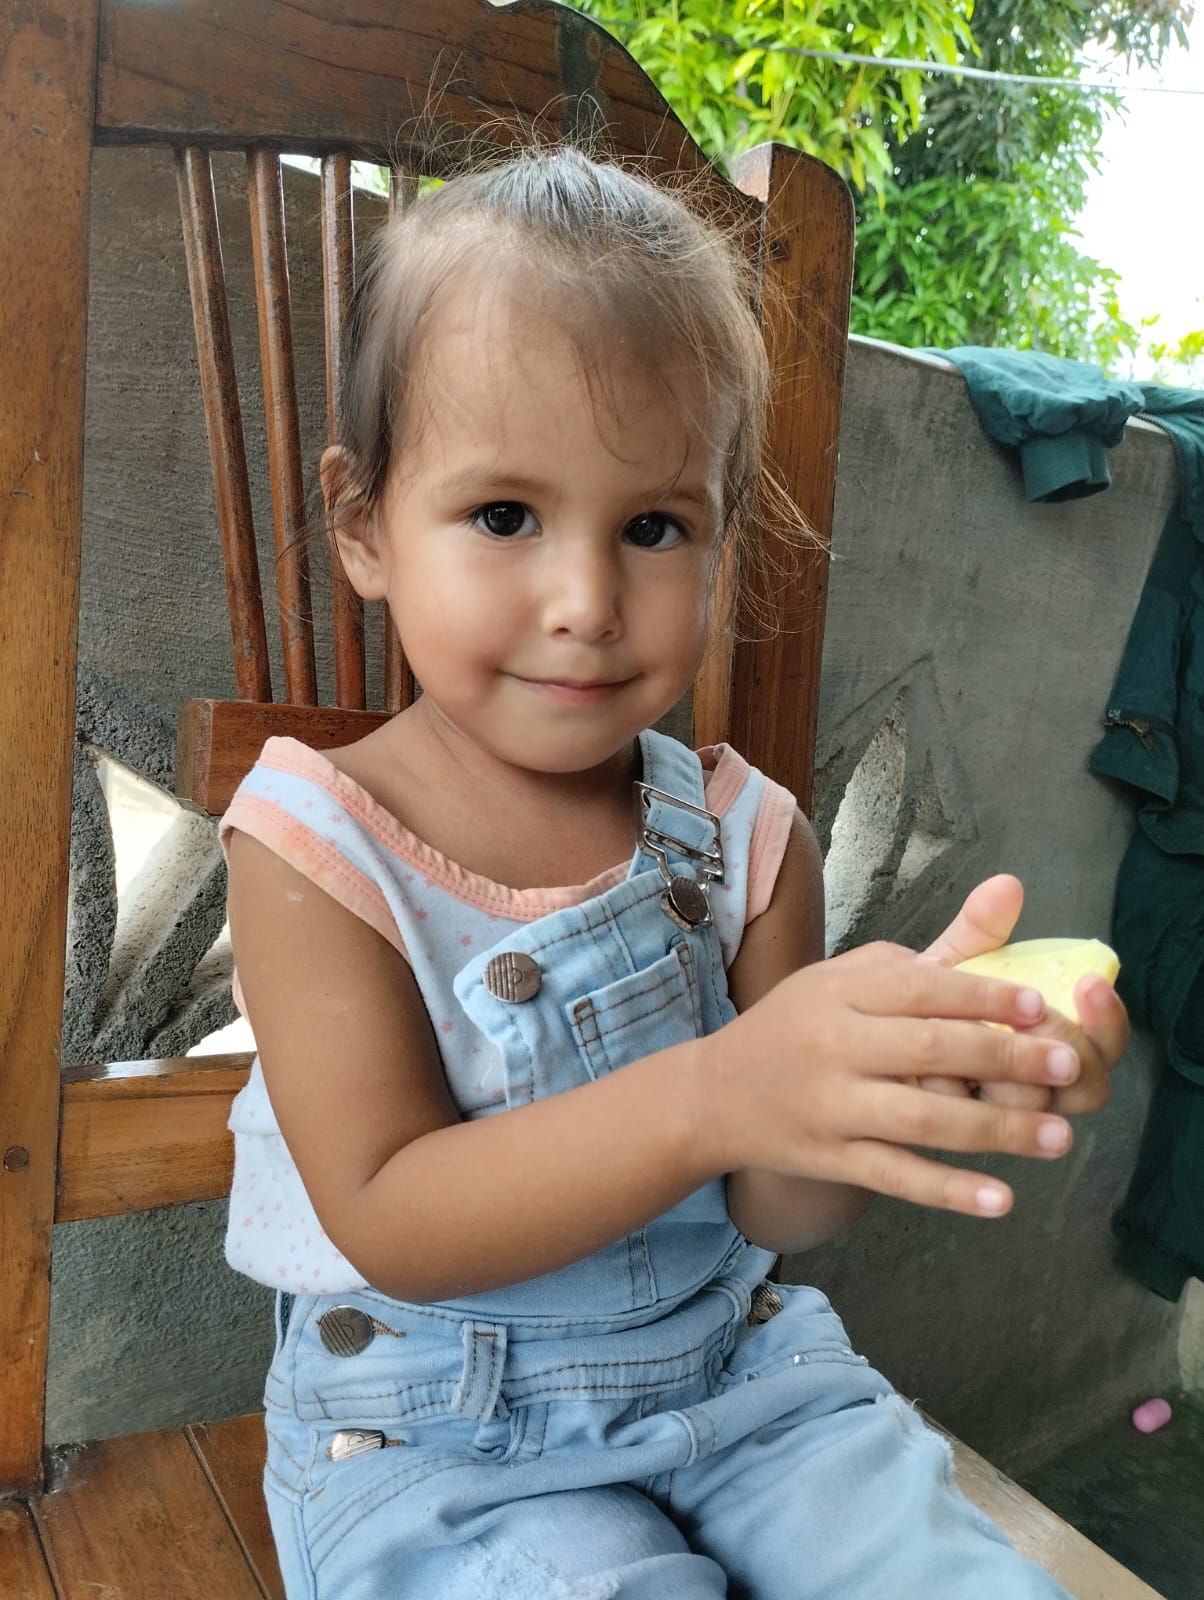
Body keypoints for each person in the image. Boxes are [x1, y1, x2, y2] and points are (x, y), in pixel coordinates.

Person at [222, 147, 1127, 1599]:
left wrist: (897, 1076)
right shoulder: (315, 845)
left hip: (742, 1386)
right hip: (437, 1445)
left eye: (652, 527)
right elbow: (391, 1218)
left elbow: (779, 1212)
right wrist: (722, 1087)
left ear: (718, 537)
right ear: (364, 525)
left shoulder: (749, 838)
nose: (586, 601)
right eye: (505, 516)